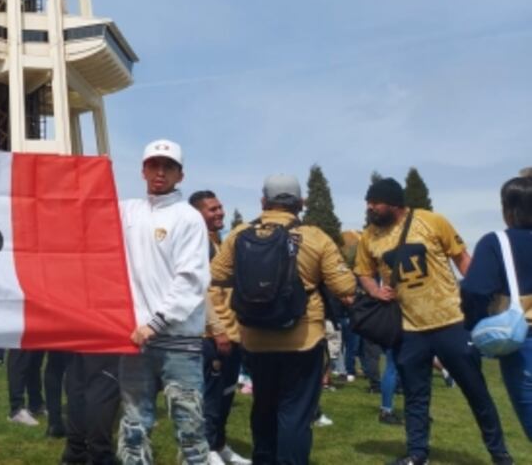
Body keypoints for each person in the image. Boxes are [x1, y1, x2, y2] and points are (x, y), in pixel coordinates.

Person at [356, 178, 511, 465]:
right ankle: (417, 453)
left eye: (374, 202)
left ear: (393, 203)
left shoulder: (431, 221)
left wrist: (480, 296)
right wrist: (375, 290)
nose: (369, 208)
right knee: (415, 395)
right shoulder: (369, 237)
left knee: (476, 390)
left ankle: (499, 453)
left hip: (451, 321)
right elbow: (363, 272)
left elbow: (462, 258)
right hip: (409, 327)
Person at [210, 174, 356, 465]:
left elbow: (217, 275)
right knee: (295, 413)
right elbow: (345, 288)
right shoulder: (315, 237)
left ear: (263, 202)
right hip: (302, 339)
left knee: (263, 407)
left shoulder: (240, 235)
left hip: (255, 339)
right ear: (300, 203)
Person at [117, 139, 210, 464]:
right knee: (133, 429)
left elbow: (192, 279)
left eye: (168, 167)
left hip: (177, 341)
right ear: (143, 170)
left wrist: (156, 322)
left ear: (179, 175)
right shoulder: (127, 211)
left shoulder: (188, 218)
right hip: (135, 340)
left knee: (190, 430)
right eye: (153, 165)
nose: (160, 172)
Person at [462, 176, 532, 439]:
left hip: (525, 343)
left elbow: (475, 289)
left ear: (509, 210)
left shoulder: (497, 242)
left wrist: (476, 324)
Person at [190, 190, 250, 465]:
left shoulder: (217, 241)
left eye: (220, 207)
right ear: (197, 213)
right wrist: (217, 330)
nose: (220, 213)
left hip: (232, 331)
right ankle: (205, 449)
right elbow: (200, 291)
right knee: (211, 395)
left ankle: (220, 444)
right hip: (213, 335)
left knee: (226, 393)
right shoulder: (197, 242)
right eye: (212, 209)